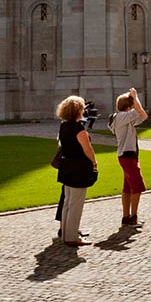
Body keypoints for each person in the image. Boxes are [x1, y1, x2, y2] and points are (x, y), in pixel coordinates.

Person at [55, 96, 98, 246]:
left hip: (67, 166)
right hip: (79, 167)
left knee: (68, 202)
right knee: (75, 204)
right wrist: (94, 161)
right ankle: (72, 237)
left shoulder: (63, 126)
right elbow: (87, 149)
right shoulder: (78, 129)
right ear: (77, 111)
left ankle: (66, 234)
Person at [110, 87, 149, 225]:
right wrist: (135, 96)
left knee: (127, 187)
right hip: (128, 155)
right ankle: (133, 216)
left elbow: (143, 115)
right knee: (137, 186)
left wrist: (134, 100)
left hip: (126, 155)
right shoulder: (122, 117)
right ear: (128, 106)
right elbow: (139, 111)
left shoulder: (122, 119)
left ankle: (126, 216)